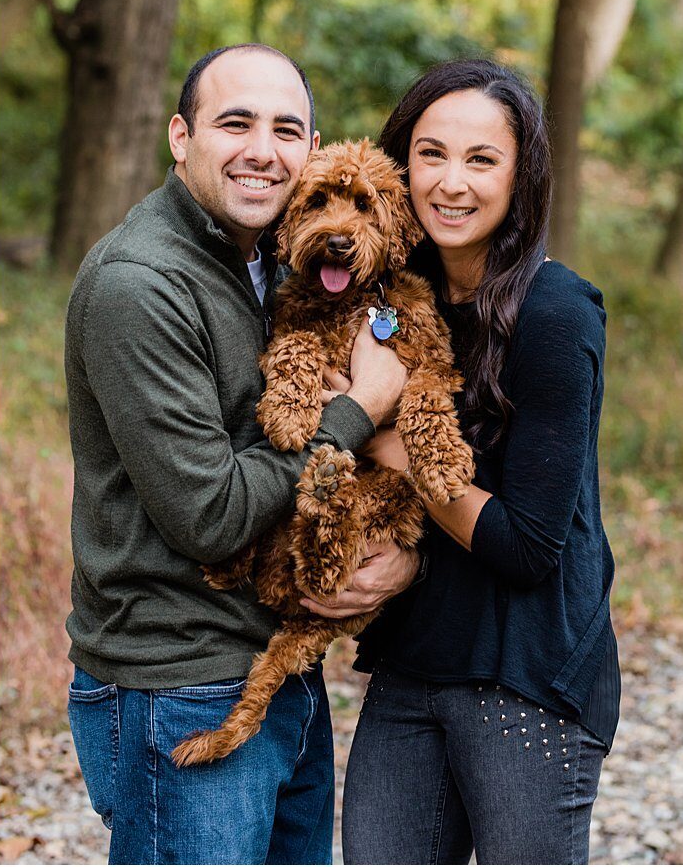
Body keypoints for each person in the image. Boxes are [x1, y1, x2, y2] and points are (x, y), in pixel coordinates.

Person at [64, 42, 417, 866]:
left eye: (286, 129)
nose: (263, 149)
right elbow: (211, 515)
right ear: (180, 137)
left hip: (278, 667)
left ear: (311, 148)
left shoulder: (269, 263)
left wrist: (397, 562)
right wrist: (355, 409)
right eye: (235, 123)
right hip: (178, 681)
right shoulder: (140, 284)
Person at [304, 59, 620, 865]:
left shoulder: (553, 315)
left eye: (481, 160)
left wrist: (384, 443)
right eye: (430, 153)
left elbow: (525, 546)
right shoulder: (386, 303)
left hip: (526, 678)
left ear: (521, 177)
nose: (450, 182)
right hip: (414, 665)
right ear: (398, 164)